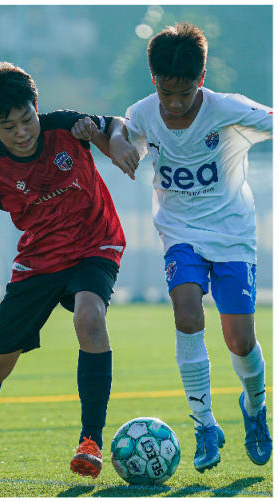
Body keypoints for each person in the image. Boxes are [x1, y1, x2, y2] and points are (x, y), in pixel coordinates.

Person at [0, 58, 137, 479]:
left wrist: (118, 142)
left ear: (36, 106)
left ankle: (90, 441)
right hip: (39, 261)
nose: (22, 132)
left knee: (91, 317)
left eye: (26, 118)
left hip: (96, 244)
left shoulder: (65, 126)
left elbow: (114, 125)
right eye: (8, 126)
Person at [110, 22, 273, 472]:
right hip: (180, 233)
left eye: (184, 94)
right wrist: (121, 142)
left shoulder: (229, 109)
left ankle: (255, 410)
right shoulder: (143, 112)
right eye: (166, 94)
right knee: (186, 313)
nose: (175, 104)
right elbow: (125, 132)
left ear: (201, 80)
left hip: (234, 234)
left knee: (240, 341)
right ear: (154, 82)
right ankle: (204, 425)